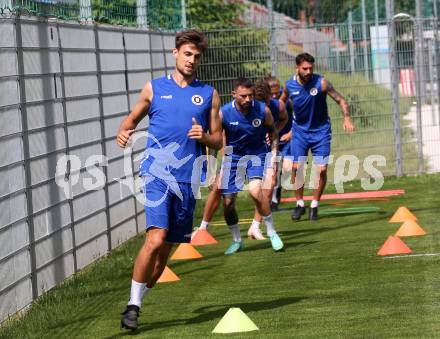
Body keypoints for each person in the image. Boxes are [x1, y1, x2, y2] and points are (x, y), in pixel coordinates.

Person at [116, 29, 222, 330]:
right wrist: (123, 132)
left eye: (196, 56)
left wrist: (205, 136)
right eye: (187, 54)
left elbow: (218, 141)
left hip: (187, 180)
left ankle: (135, 303)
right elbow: (130, 121)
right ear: (175, 53)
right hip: (156, 174)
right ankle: (133, 306)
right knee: (156, 237)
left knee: (164, 256)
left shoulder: (209, 95)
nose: (191, 60)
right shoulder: (154, 88)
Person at [280, 52, 354, 221]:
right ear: (297, 68)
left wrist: (347, 117)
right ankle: (299, 204)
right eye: (304, 68)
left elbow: (341, 100)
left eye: (310, 68)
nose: (308, 71)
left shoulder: (321, 83)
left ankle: (314, 205)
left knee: (321, 170)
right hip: (300, 132)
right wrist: (279, 125)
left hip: (321, 132)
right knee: (296, 168)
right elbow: (280, 104)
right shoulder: (289, 85)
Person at [219, 77, 284, 254]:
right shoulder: (224, 113)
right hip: (233, 158)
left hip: (257, 155)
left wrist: (273, 157)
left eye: (250, 95)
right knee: (228, 203)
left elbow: (274, 132)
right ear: (234, 94)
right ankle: (237, 240)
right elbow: (218, 137)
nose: (248, 99)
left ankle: (272, 232)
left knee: (255, 190)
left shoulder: (263, 110)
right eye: (243, 96)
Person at [247, 79, 287, 240]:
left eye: (267, 101)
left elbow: (284, 118)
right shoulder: (247, 109)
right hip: (249, 150)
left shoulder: (279, 106)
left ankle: (255, 226)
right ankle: (203, 225)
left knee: (269, 185)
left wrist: (274, 131)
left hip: (269, 149)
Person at [264, 75, 294, 211]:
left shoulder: (287, 100)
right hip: (271, 141)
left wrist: (291, 132)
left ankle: (278, 191)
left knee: (287, 168)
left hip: (286, 139)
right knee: (273, 171)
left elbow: (299, 117)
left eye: (278, 92)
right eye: (272, 93)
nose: (276, 95)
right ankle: (274, 202)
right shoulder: (262, 103)